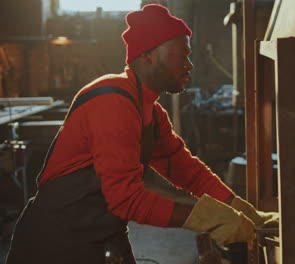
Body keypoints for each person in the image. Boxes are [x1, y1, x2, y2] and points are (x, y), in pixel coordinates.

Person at [6, 4, 278, 264]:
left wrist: (243, 210)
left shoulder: (152, 112)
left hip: (103, 236)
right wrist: (209, 218)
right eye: (181, 55)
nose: (189, 65)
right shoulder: (112, 102)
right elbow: (126, 199)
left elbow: (186, 170)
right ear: (149, 55)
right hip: (55, 243)